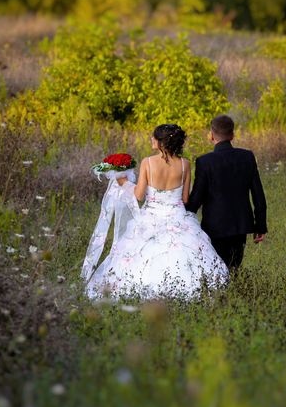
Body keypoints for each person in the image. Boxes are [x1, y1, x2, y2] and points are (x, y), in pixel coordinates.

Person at [82, 124, 228, 299]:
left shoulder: (148, 162)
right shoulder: (185, 164)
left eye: (154, 137)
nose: (151, 139)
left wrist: (121, 181)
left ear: (161, 142)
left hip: (151, 217)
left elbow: (138, 195)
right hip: (178, 217)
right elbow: (185, 199)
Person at [185, 115, 267, 270]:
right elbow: (258, 194)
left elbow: (197, 197)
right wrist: (260, 226)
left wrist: (183, 215)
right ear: (233, 135)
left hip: (215, 226)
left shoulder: (205, 161)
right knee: (234, 266)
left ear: (211, 135)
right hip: (240, 225)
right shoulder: (247, 156)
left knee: (217, 269)